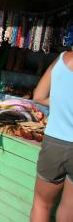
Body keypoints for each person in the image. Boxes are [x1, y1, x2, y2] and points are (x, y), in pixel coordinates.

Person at [31, 50, 73, 221]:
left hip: (55, 143)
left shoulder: (62, 59)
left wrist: (61, 101)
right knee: (69, 210)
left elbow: (38, 97)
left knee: (41, 204)